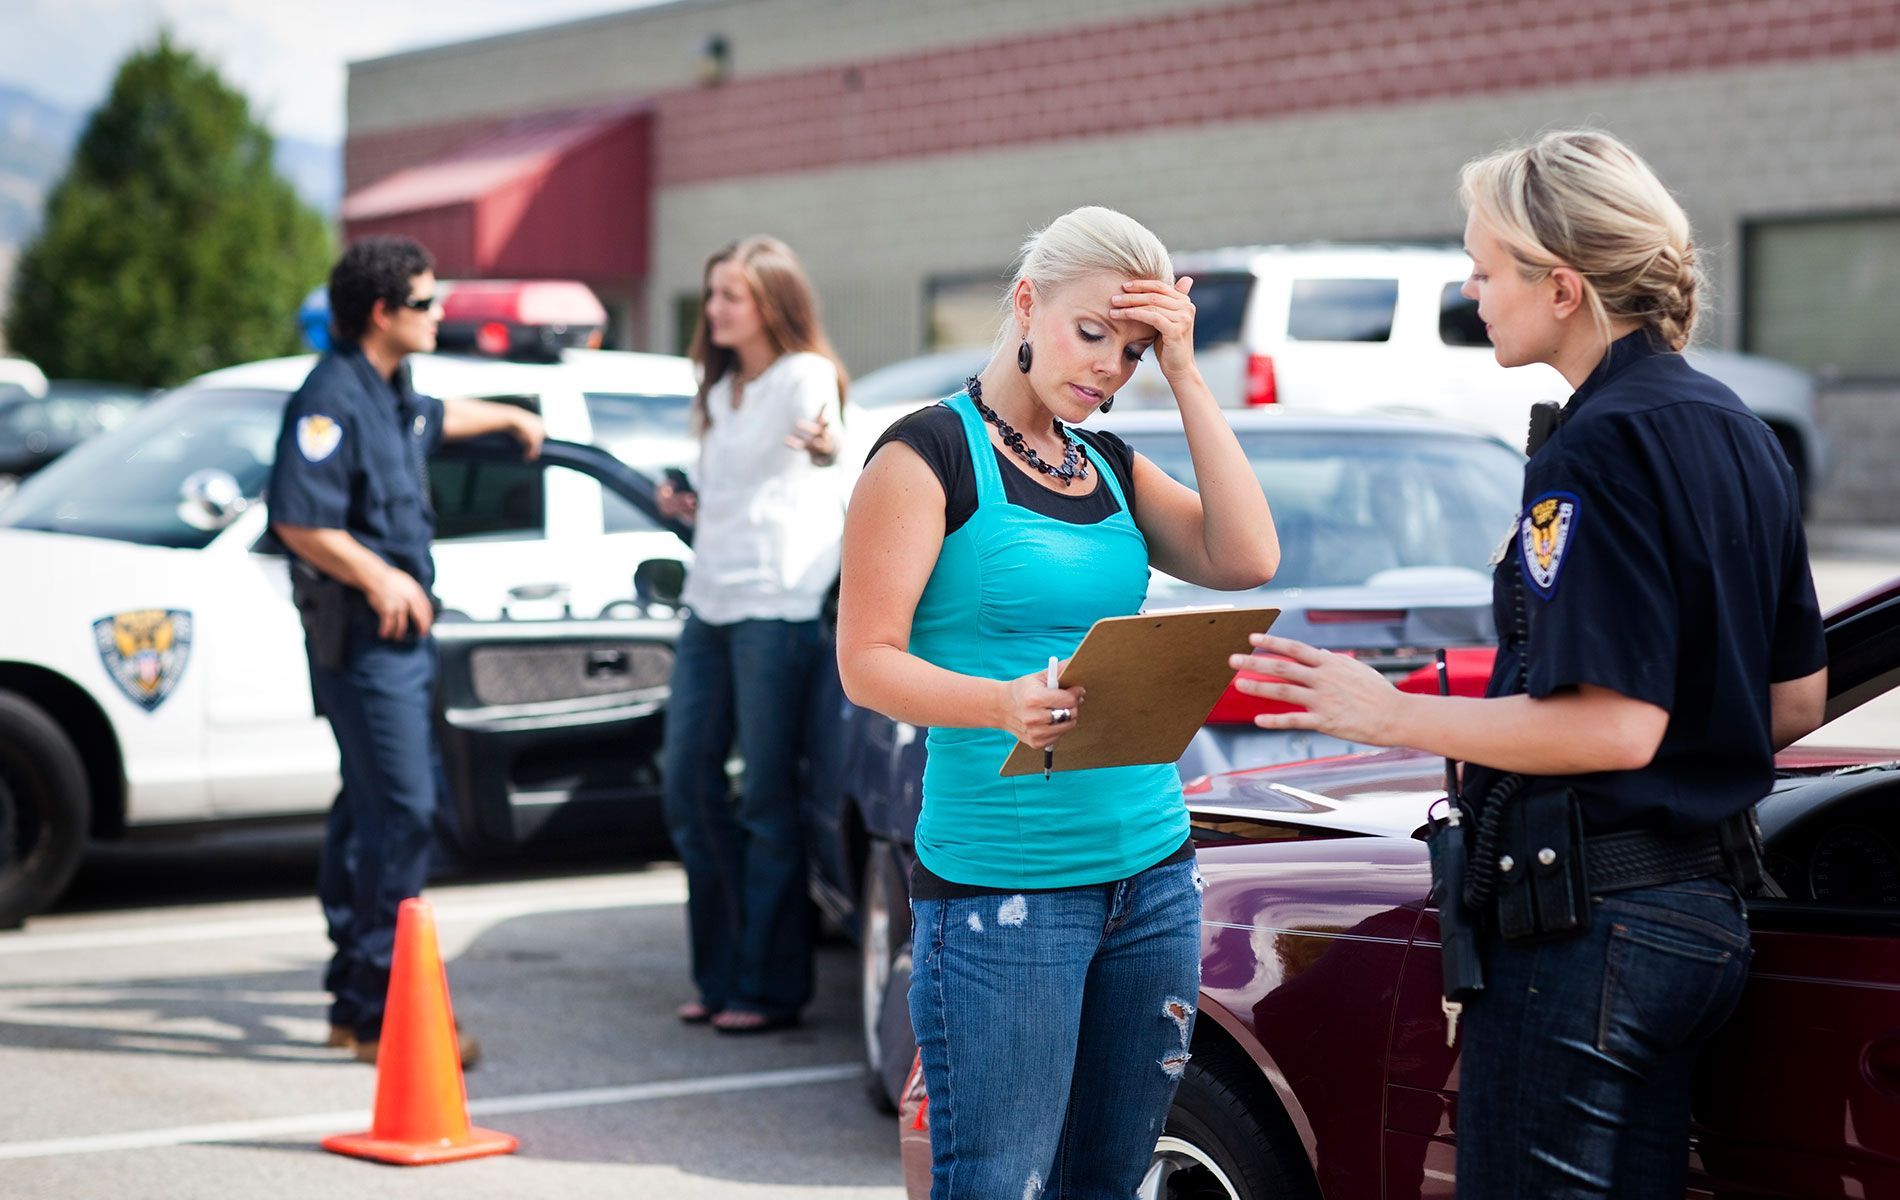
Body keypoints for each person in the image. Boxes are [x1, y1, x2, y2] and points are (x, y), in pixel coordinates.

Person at [1231, 131, 1829, 1198]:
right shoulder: (1737, 429)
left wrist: (1389, 714)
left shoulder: (1594, 445)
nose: (1470, 293)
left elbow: (1612, 726)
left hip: (1588, 936)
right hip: (1699, 918)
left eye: (1483, 267)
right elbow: (1792, 699)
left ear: (1561, 286)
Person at [837, 206, 1278, 1198]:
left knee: (1111, 1181)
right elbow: (865, 663)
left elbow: (1247, 557)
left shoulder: (1109, 466)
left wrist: (1188, 372)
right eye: (1093, 335)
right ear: (1027, 304)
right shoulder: (924, 456)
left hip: (1151, 876)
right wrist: (1000, 703)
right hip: (1006, 891)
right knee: (995, 1182)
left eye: (1131, 352)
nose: (1107, 371)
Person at [268, 236, 544, 1066]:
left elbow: (433, 423)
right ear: (382, 313)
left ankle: (354, 1002)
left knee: (367, 811)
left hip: (401, 644)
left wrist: (507, 416)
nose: (440, 315)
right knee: (406, 812)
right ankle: (393, 1012)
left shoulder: (391, 391)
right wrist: (380, 577)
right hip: (365, 640)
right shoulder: (329, 398)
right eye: (426, 304)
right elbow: (298, 516)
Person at [659, 234, 848, 1035]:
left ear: (771, 301)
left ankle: (768, 988)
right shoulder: (720, 388)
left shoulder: (803, 376)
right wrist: (685, 502)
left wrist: (828, 442)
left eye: (730, 294)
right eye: (712, 295)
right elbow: (721, 490)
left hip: (778, 606)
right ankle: (721, 972)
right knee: (687, 785)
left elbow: (830, 442)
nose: (715, 309)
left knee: (767, 799)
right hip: (710, 601)